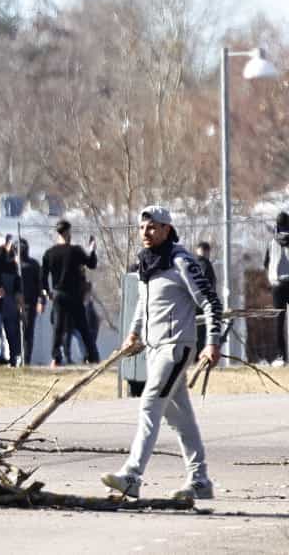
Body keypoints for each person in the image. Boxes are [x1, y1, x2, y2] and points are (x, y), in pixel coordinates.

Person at [102, 206, 221, 501]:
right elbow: (142, 308)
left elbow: (211, 302)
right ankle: (200, 480)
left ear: (167, 229)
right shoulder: (146, 264)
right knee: (180, 419)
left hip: (176, 346)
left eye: (153, 227)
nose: (146, 233)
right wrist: (133, 335)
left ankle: (132, 475)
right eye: (142, 228)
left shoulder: (181, 260)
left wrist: (213, 342)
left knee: (149, 404)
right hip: (154, 349)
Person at [41, 220, 99, 366]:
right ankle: (92, 357)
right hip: (74, 294)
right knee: (83, 327)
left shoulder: (49, 253)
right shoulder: (76, 251)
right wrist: (92, 249)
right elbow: (91, 264)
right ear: (67, 232)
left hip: (58, 294)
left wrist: (47, 292)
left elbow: (43, 276)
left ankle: (56, 357)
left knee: (58, 328)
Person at [263, 213, 289, 365]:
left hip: (277, 285)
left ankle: (281, 356)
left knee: (279, 322)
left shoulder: (272, 243)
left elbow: (266, 263)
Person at [0, 236, 22, 366]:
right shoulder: (0, 256)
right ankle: (10, 357)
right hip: (4, 300)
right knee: (6, 331)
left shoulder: (12, 261)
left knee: (8, 331)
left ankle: (12, 357)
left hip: (6, 301)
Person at [18, 239, 44, 365]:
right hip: (14, 304)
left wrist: (41, 300)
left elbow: (40, 284)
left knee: (27, 332)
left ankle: (26, 359)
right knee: (15, 332)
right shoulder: (12, 264)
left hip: (30, 304)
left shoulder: (33, 264)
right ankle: (17, 357)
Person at [193, 242, 216, 355]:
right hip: (202, 304)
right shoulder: (205, 264)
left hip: (193, 303)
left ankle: (194, 356)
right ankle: (197, 356)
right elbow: (206, 285)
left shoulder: (191, 263)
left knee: (195, 332)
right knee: (200, 332)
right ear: (207, 251)